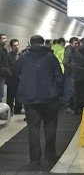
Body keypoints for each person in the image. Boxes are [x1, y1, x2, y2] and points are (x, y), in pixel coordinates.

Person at [16, 35, 63, 165]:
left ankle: (35, 158)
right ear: (43, 43)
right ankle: (50, 153)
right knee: (50, 126)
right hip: (50, 98)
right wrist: (59, 93)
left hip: (30, 99)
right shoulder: (51, 58)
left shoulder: (23, 58)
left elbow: (16, 73)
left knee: (33, 128)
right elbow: (59, 77)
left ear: (30, 43)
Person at [63, 37, 79, 113]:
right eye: (75, 43)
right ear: (71, 43)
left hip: (73, 73)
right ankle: (67, 106)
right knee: (70, 90)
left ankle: (70, 105)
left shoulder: (73, 50)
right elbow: (65, 62)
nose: (77, 45)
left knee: (72, 90)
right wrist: (74, 67)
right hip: (70, 73)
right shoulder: (69, 50)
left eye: (78, 43)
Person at [6, 39, 22, 114]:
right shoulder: (8, 56)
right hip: (11, 79)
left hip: (20, 79)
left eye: (17, 45)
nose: (16, 47)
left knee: (19, 95)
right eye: (14, 46)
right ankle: (9, 110)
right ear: (11, 47)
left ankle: (18, 109)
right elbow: (8, 67)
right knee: (10, 96)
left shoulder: (22, 55)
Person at [0, 34, 9, 102]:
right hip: (1, 74)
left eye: (6, 38)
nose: (6, 40)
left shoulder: (4, 49)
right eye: (3, 38)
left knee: (1, 92)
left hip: (2, 75)